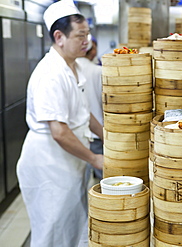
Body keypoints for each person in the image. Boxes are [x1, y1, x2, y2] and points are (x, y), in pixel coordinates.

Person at [16, 0, 103, 246]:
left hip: (68, 162)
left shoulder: (73, 67)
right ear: (59, 36)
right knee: (52, 231)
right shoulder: (51, 74)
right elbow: (59, 132)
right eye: (80, 35)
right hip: (49, 165)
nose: (87, 40)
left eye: (88, 34)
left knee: (72, 227)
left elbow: (83, 114)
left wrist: (108, 137)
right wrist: (95, 158)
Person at [76, 36, 103, 181]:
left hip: (80, 134)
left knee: (84, 177)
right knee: (102, 178)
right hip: (97, 132)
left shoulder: (73, 68)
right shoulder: (97, 71)